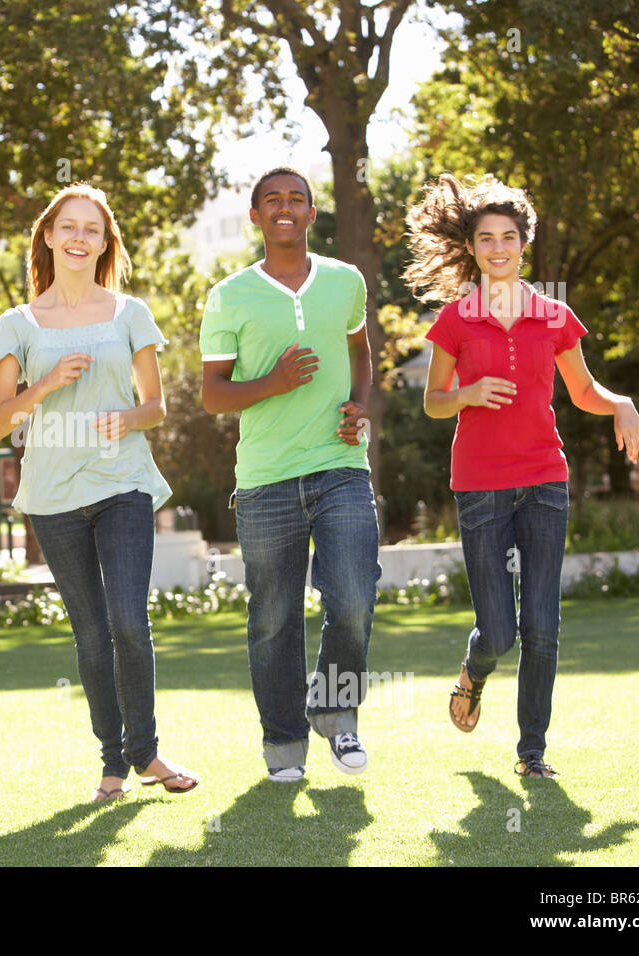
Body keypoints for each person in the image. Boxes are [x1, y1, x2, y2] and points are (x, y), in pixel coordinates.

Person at [406, 173, 639, 778]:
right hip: (481, 487)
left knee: (542, 627)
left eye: (508, 237)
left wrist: (620, 403)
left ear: (524, 244)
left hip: (544, 480)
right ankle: (474, 669)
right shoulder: (456, 321)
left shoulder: (554, 316)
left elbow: (585, 390)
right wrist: (468, 391)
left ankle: (531, 753)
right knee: (499, 631)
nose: (497, 248)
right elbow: (434, 401)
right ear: (473, 246)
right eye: (485, 238)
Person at [0, 183, 198, 802]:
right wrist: (47, 382)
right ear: (48, 236)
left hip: (121, 483)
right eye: (69, 227)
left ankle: (148, 754)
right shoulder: (17, 323)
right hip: (52, 496)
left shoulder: (129, 313)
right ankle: (114, 763)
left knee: (129, 621)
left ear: (105, 244)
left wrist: (128, 419)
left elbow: (155, 406)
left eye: (93, 231)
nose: (80, 239)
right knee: (89, 633)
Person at [200, 166, 380, 783]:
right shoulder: (230, 294)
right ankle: (283, 739)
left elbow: (359, 349)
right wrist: (273, 383)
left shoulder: (344, 281)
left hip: (340, 466)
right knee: (273, 617)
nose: (284, 207)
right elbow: (213, 395)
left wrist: (360, 401)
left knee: (353, 600)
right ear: (255, 217)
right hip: (266, 479)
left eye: (296, 199)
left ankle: (336, 710)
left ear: (310, 213)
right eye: (271, 200)